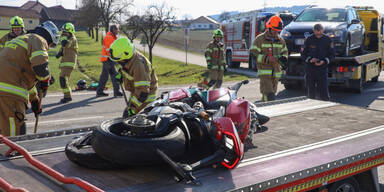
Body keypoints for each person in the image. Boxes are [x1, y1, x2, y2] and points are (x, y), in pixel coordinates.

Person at [0, 21, 59, 136]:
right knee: (15, 131)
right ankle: (11, 154)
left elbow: (25, 78)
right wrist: (46, 79)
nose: (48, 48)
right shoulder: (38, 39)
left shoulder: (21, 40)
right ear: (49, 37)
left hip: (5, 88)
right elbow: (41, 68)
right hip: (10, 93)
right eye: (50, 45)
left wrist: (34, 100)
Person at [109, 37, 158, 118]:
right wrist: (121, 74)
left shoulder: (139, 65)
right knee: (128, 116)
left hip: (146, 97)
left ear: (126, 55)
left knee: (137, 121)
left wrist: (133, 108)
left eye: (119, 60)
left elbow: (143, 92)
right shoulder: (129, 58)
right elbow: (127, 67)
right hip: (137, 92)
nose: (118, 62)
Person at [250, 15, 288, 102]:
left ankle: (265, 111)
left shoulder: (281, 40)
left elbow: (285, 52)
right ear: (269, 27)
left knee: (270, 95)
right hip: (264, 72)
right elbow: (254, 54)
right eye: (275, 30)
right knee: (269, 94)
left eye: (278, 31)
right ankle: (267, 109)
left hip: (276, 72)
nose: (276, 32)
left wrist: (284, 58)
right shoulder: (260, 39)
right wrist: (267, 58)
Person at [301, 23, 335, 101]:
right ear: (314, 31)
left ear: (323, 30)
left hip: (322, 69)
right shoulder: (308, 39)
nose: (318, 35)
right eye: (317, 33)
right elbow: (303, 54)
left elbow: (332, 55)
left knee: (323, 91)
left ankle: (325, 104)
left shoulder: (328, 40)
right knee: (311, 92)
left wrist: (324, 61)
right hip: (310, 69)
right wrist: (310, 60)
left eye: (320, 33)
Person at [96, 25, 122, 97]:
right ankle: (116, 92)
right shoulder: (109, 38)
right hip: (108, 60)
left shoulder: (112, 37)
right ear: (113, 30)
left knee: (104, 76)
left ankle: (99, 91)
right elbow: (110, 51)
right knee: (114, 75)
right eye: (117, 29)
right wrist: (116, 58)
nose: (118, 31)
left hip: (107, 60)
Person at [55, 22, 78, 103]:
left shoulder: (73, 39)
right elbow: (63, 47)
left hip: (69, 62)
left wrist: (62, 38)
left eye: (66, 32)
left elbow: (66, 44)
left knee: (63, 78)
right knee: (64, 79)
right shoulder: (67, 39)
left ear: (71, 32)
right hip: (65, 62)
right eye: (63, 32)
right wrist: (59, 53)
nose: (64, 34)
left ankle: (67, 97)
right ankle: (67, 96)